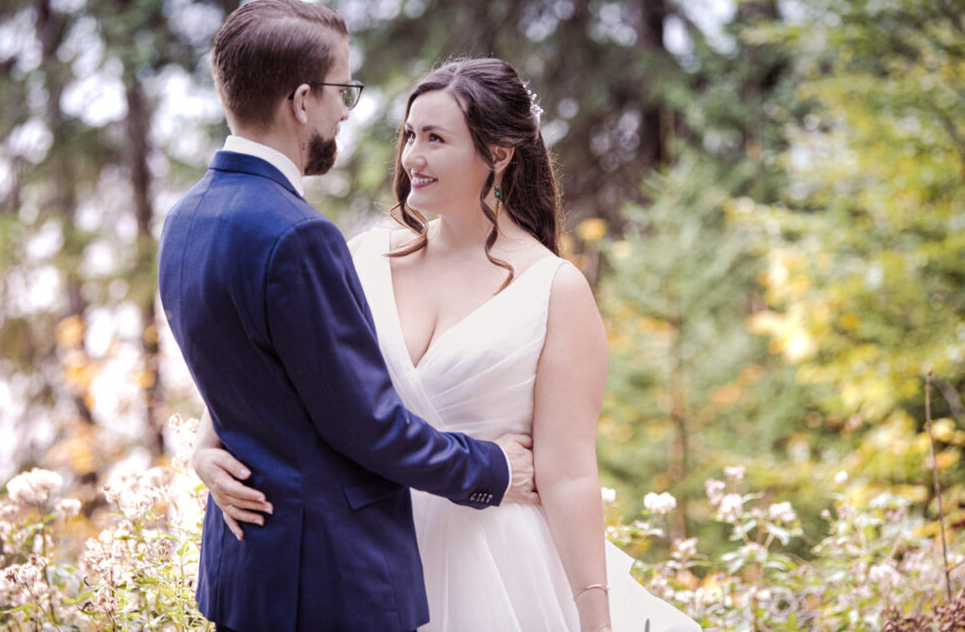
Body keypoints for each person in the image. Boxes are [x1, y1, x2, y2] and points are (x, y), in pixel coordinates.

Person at [195, 57, 703, 631]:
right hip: (368, 558)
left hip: (497, 569)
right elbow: (282, 382)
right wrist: (206, 448)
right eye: (410, 134)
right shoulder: (361, 258)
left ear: (499, 154)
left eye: (436, 139)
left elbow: (569, 473)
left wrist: (595, 617)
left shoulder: (555, 289)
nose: (412, 156)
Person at [158, 0, 539, 632]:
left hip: (243, 573)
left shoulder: (185, 219)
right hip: (328, 583)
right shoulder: (298, 236)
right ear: (302, 100)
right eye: (343, 91)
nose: (344, 111)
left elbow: (250, 379)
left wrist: (204, 450)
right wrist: (491, 469)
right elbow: (366, 424)